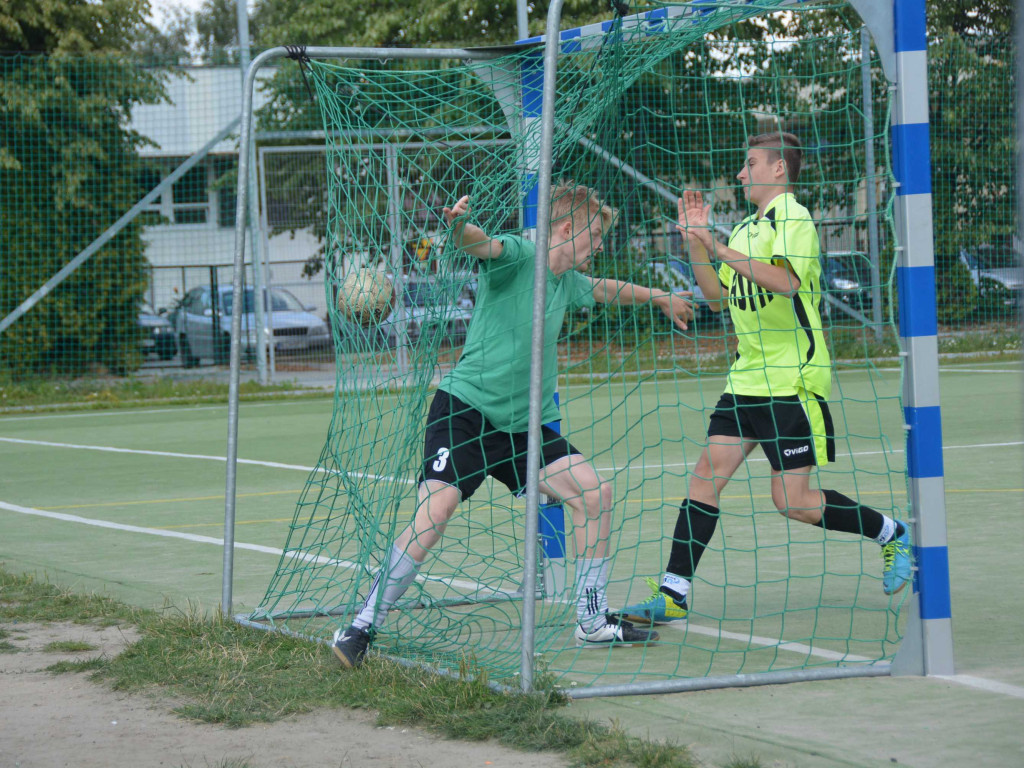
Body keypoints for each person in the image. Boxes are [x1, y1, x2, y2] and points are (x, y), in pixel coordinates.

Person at [332, 180, 695, 667]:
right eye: (595, 235)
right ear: (566, 227)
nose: (601, 245)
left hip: (524, 427)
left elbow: (608, 290)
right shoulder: (521, 255)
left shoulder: (568, 281)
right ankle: (360, 625)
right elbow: (481, 244)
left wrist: (659, 297)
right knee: (434, 515)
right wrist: (458, 224)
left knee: (594, 494)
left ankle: (591, 620)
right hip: (466, 412)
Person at [621, 132, 912, 626]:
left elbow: (786, 281)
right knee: (705, 477)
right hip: (745, 379)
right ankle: (674, 592)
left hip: (792, 382)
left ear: (779, 170)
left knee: (791, 504)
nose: (741, 173)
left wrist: (714, 242)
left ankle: (892, 533)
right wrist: (696, 244)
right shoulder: (743, 232)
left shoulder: (794, 218)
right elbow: (716, 298)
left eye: (750, 163)